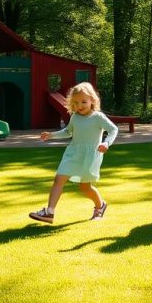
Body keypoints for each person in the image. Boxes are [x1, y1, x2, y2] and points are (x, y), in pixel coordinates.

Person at [29, 82, 118, 224]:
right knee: (59, 178)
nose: (80, 105)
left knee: (85, 187)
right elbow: (68, 132)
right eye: (76, 102)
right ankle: (49, 212)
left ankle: (100, 206)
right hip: (73, 153)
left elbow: (113, 129)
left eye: (84, 101)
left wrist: (106, 143)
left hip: (90, 156)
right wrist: (51, 135)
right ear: (72, 104)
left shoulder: (98, 117)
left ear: (92, 100)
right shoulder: (75, 117)